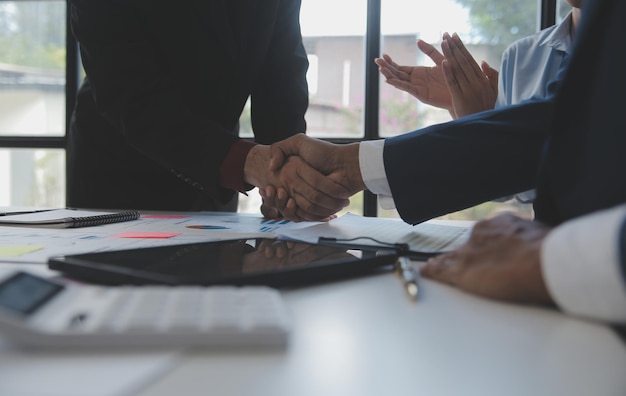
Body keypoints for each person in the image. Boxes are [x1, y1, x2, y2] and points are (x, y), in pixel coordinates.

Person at [265, 0, 626, 324]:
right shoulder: (545, 47)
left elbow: (555, 129)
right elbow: (547, 143)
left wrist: (352, 165)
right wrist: (476, 119)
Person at [65, 0, 348, 220]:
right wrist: (250, 163)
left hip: (213, 180)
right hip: (120, 171)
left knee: (215, 290)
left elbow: (282, 71)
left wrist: (287, 178)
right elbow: (126, 89)